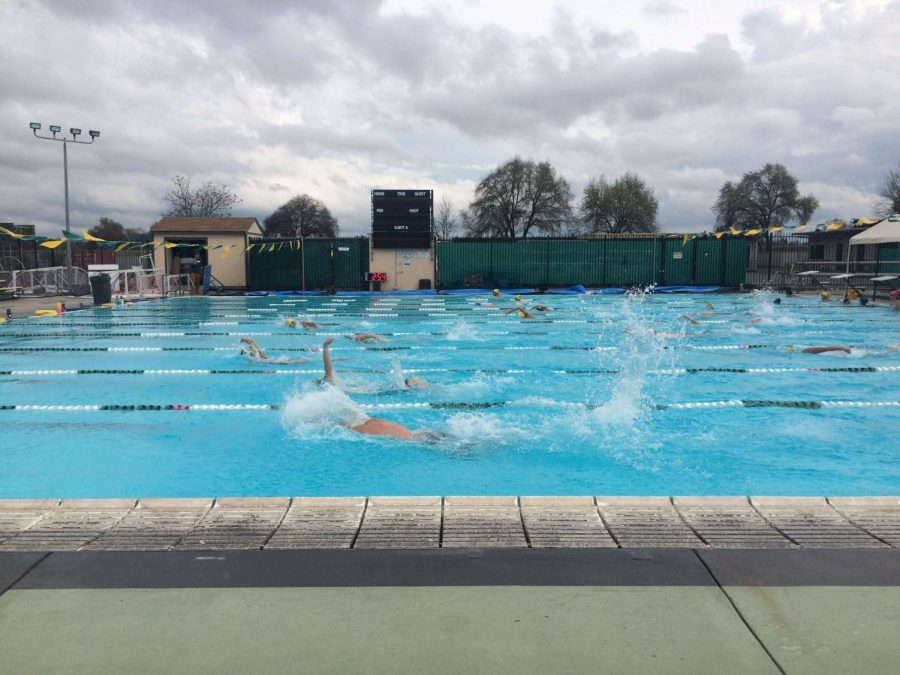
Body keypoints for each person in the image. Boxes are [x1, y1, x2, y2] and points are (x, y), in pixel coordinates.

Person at [319, 337, 418, 440]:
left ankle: (408, 385)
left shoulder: (333, 388)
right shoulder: (333, 387)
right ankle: (408, 385)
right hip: (363, 409)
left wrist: (325, 347)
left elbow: (328, 370)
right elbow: (328, 369)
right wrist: (325, 347)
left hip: (358, 416)